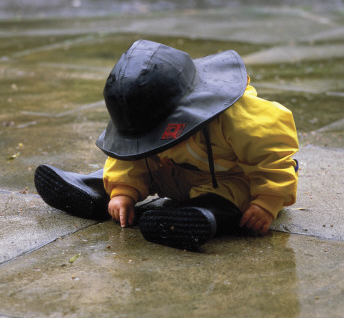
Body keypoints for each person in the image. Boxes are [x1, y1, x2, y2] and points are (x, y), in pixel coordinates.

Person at [35, 39, 299, 250]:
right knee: (140, 160)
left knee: (232, 195)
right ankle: (99, 190)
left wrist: (267, 201)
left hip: (233, 179)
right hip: (175, 170)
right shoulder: (146, 119)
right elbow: (130, 154)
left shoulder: (239, 117)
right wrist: (122, 190)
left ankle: (205, 215)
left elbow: (273, 156)